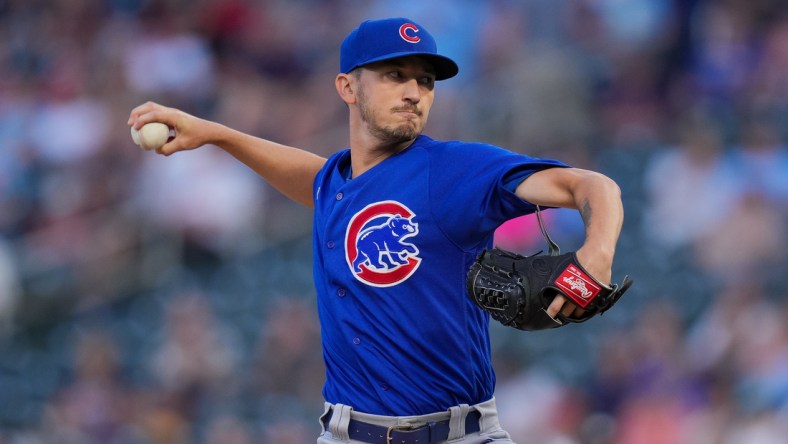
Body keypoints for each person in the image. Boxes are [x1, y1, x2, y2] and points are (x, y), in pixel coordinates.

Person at [128, 17, 624, 444]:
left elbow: (591, 185)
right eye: (394, 75)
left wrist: (596, 253)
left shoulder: (454, 170)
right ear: (347, 87)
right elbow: (311, 177)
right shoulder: (336, 186)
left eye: (426, 81)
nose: (414, 93)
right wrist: (216, 133)